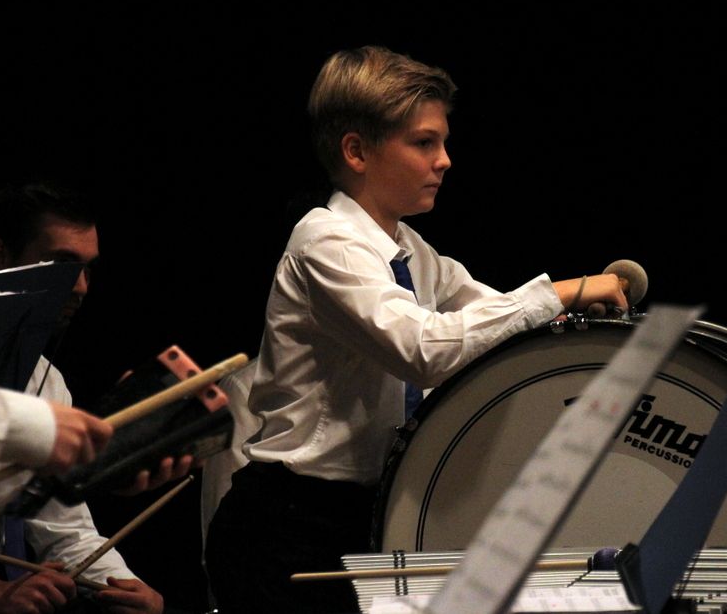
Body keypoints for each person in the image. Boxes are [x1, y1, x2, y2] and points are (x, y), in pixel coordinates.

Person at [205, 45, 629, 613]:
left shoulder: (408, 248)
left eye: (443, 142)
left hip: (360, 516)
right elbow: (423, 349)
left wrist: (573, 320)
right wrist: (557, 293)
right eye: (424, 143)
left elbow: (494, 315)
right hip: (290, 526)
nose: (445, 160)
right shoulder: (324, 241)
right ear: (357, 151)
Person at [0, 182, 175, 614]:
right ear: (0, 256)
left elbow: (63, 525)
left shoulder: (48, 380)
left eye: (89, 270)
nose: (82, 288)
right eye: (62, 264)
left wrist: (123, 585)